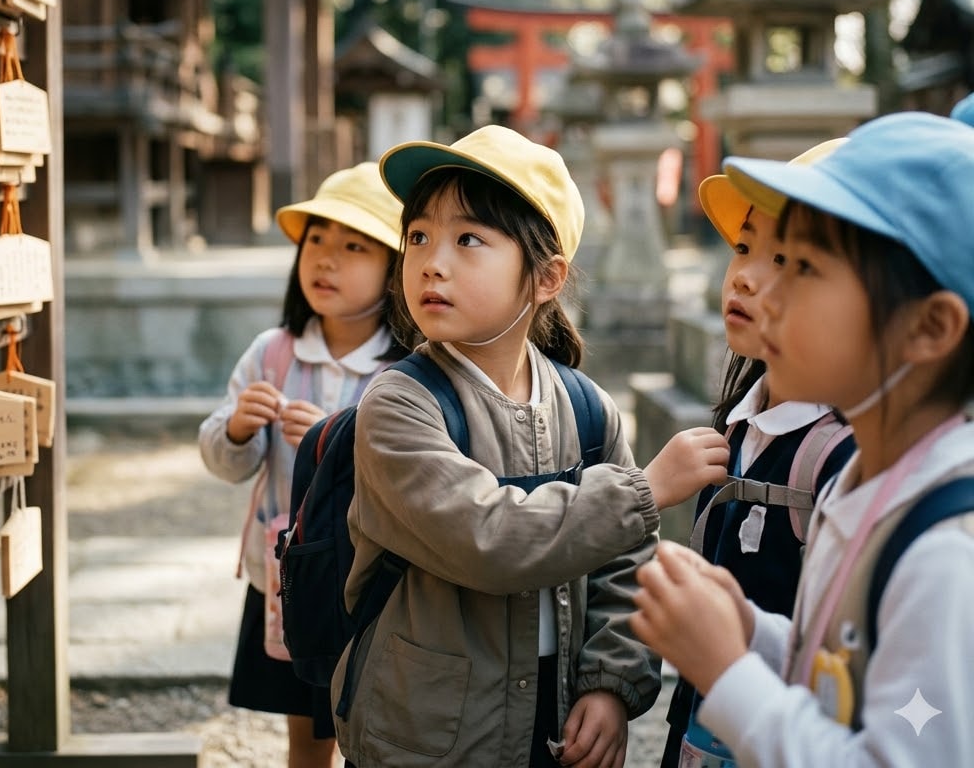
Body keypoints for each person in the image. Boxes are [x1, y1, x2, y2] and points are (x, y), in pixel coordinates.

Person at [330, 125, 730, 768]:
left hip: (556, 715)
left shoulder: (586, 407)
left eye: (469, 239)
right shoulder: (399, 405)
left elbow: (627, 566)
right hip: (428, 734)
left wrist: (609, 686)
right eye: (418, 237)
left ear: (546, 277)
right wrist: (646, 489)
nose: (432, 260)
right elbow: (489, 538)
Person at [632, 111, 974, 767]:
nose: (767, 292)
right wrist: (753, 631)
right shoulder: (869, 481)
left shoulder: (945, 556)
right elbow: (843, 666)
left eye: (804, 266)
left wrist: (729, 672)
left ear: (929, 328)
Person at [199, 161, 408, 768]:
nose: (326, 260)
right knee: (306, 736)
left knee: (372, 730)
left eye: (353, 247)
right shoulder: (273, 353)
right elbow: (224, 459)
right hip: (289, 579)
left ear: (394, 269)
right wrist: (239, 426)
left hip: (375, 582)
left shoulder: (403, 370)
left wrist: (335, 436)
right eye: (316, 240)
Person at [660, 141, 855, 768]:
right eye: (744, 248)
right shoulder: (741, 424)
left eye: (787, 260)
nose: (744, 274)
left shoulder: (843, 457)